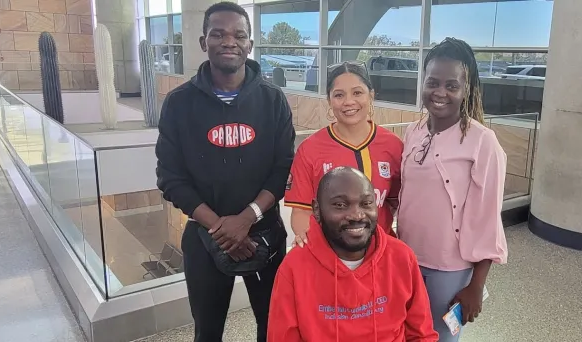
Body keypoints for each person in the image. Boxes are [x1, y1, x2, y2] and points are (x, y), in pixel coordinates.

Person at [155, 2, 295, 342]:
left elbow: (282, 171)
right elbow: (170, 178)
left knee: (273, 328)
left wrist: (247, 218)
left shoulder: (274, 101)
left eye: (239, 35)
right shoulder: (179, 103)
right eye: (217, 34)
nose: (228, 41)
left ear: (250, 44)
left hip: (264, 235)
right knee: (207, 333)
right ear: (204, 42)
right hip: (205, 238)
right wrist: (220, 227)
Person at [397, 37, 508, 341]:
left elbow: (488, 218)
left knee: (441, 337)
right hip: (405, 260)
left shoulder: (483, 142)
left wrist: (475, 285)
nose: (440, 93)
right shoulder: (413, 131)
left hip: (451, 271)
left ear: (466, 89)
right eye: (432, 82)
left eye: (451, 85)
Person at [268, 166, 438, 341]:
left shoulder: (401, 257)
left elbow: (422, 334)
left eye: (366, 203)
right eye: (340, 205)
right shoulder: (294, 267)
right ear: (317, 210)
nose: (357, 215)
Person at [284, 61, 403, 246]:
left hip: (381, 255)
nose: (349, 101)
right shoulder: (310, 149)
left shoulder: (394, 146)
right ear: (329, 101)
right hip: (330, 255)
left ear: (371, 95)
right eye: (339, 95)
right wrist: (317, 246)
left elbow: (399, 204)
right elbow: (301, 212)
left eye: (357, 93)